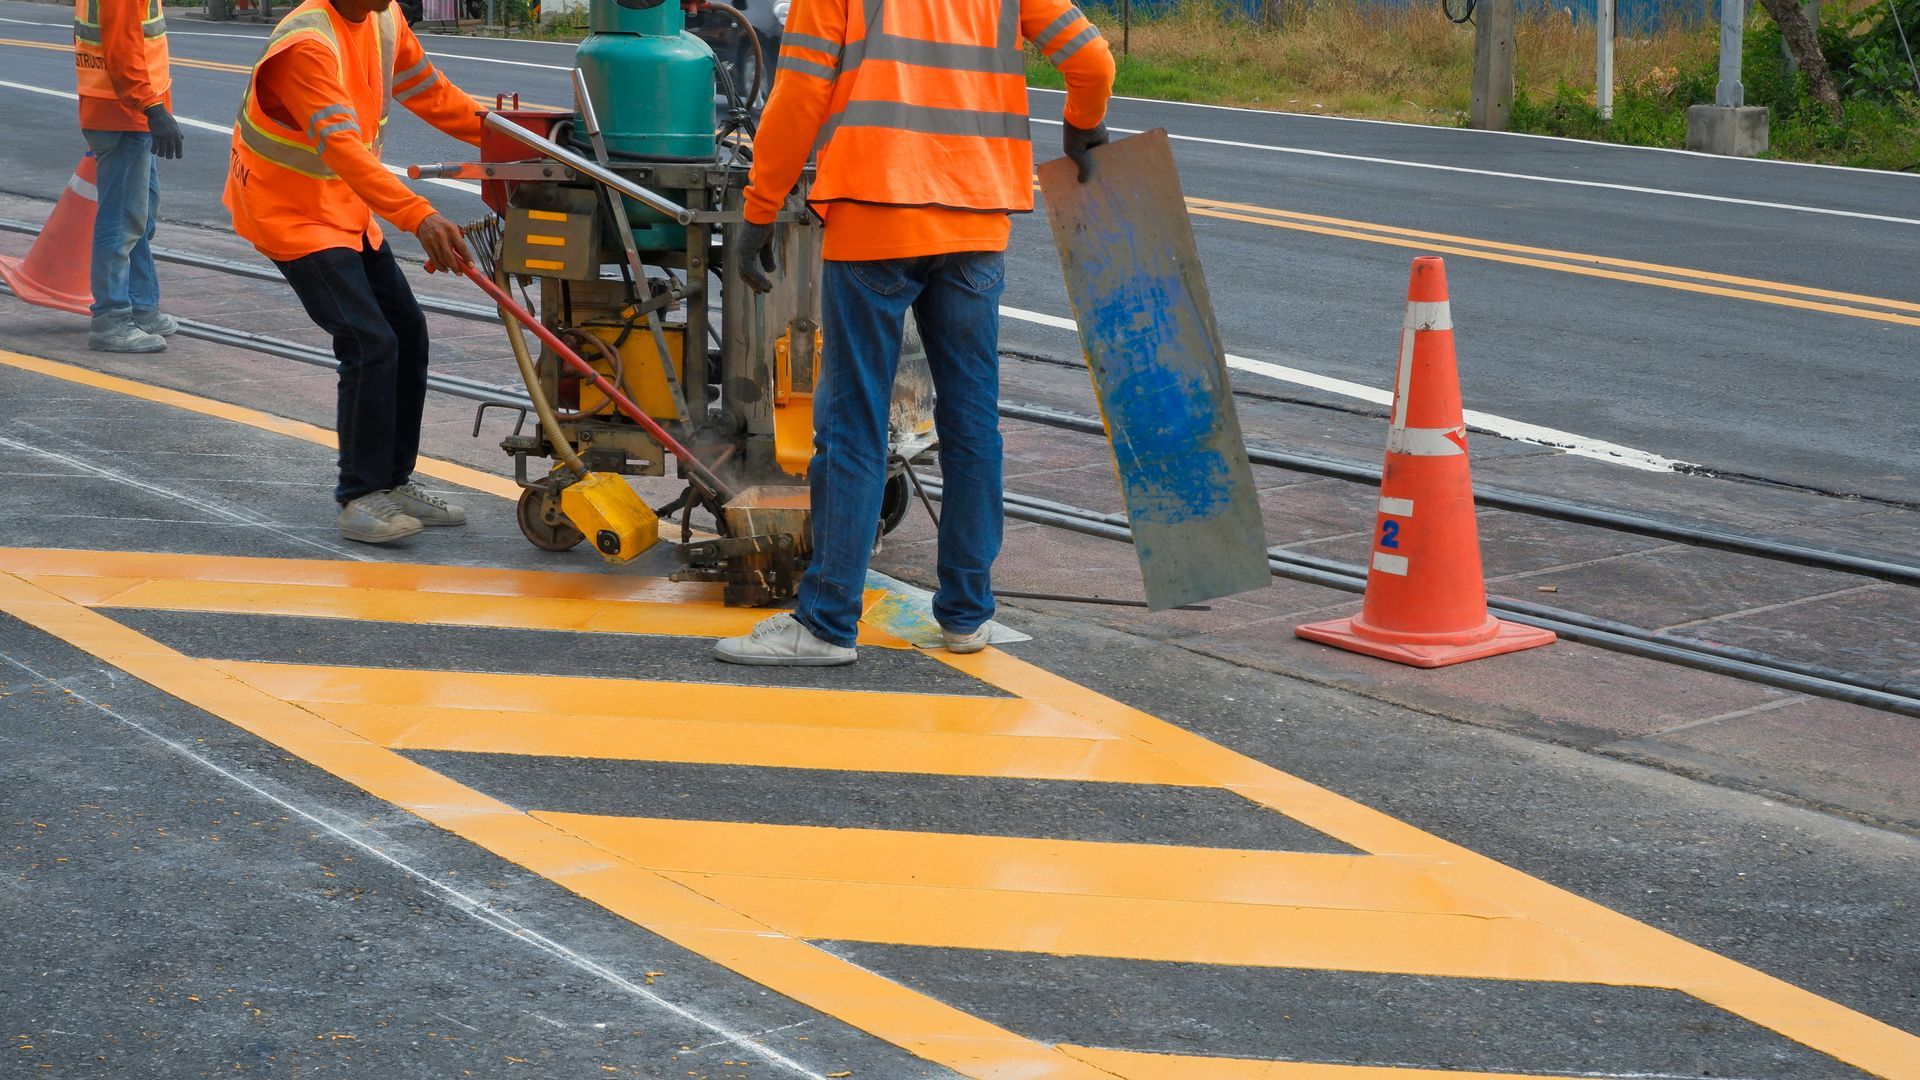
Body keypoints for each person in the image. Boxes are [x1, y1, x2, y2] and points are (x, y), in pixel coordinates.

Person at [713, 0, 1116, 666]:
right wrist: (1081, 127)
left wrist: (760, 210)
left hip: (875, 213)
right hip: (977, 217)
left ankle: (827, 624)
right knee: (971, 425)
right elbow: (1092, 60)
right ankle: (965, 616)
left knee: (853, 427)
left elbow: (801, 94)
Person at [224, 0, 482, 545]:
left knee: (407, 332)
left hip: (344, 207)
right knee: (369, 341)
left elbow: (429, 90)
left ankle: (392, 482)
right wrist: (419, 215)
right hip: (290, 213)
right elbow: (340, 146)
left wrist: (517, 136)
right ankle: (360, 498)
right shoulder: (306, 44)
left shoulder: (383, 18)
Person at [74, 0, 181, 354]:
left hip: (124, 113)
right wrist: (153, 108)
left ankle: (140, 306)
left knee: (140, 217)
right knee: (121, 223)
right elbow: (122, 48)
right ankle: (111, 320)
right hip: (124, 114)